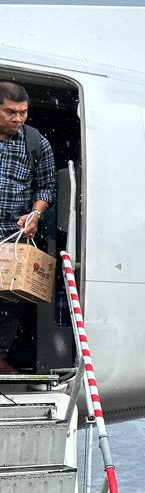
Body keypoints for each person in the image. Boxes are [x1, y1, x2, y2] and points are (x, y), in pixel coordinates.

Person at [0, 81, 55, 374]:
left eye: (23, 112)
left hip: (13, 234)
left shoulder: (35, 142)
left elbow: (46, 187)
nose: (18, 119)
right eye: (11, 112)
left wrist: (35, 214)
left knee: (9, 301)